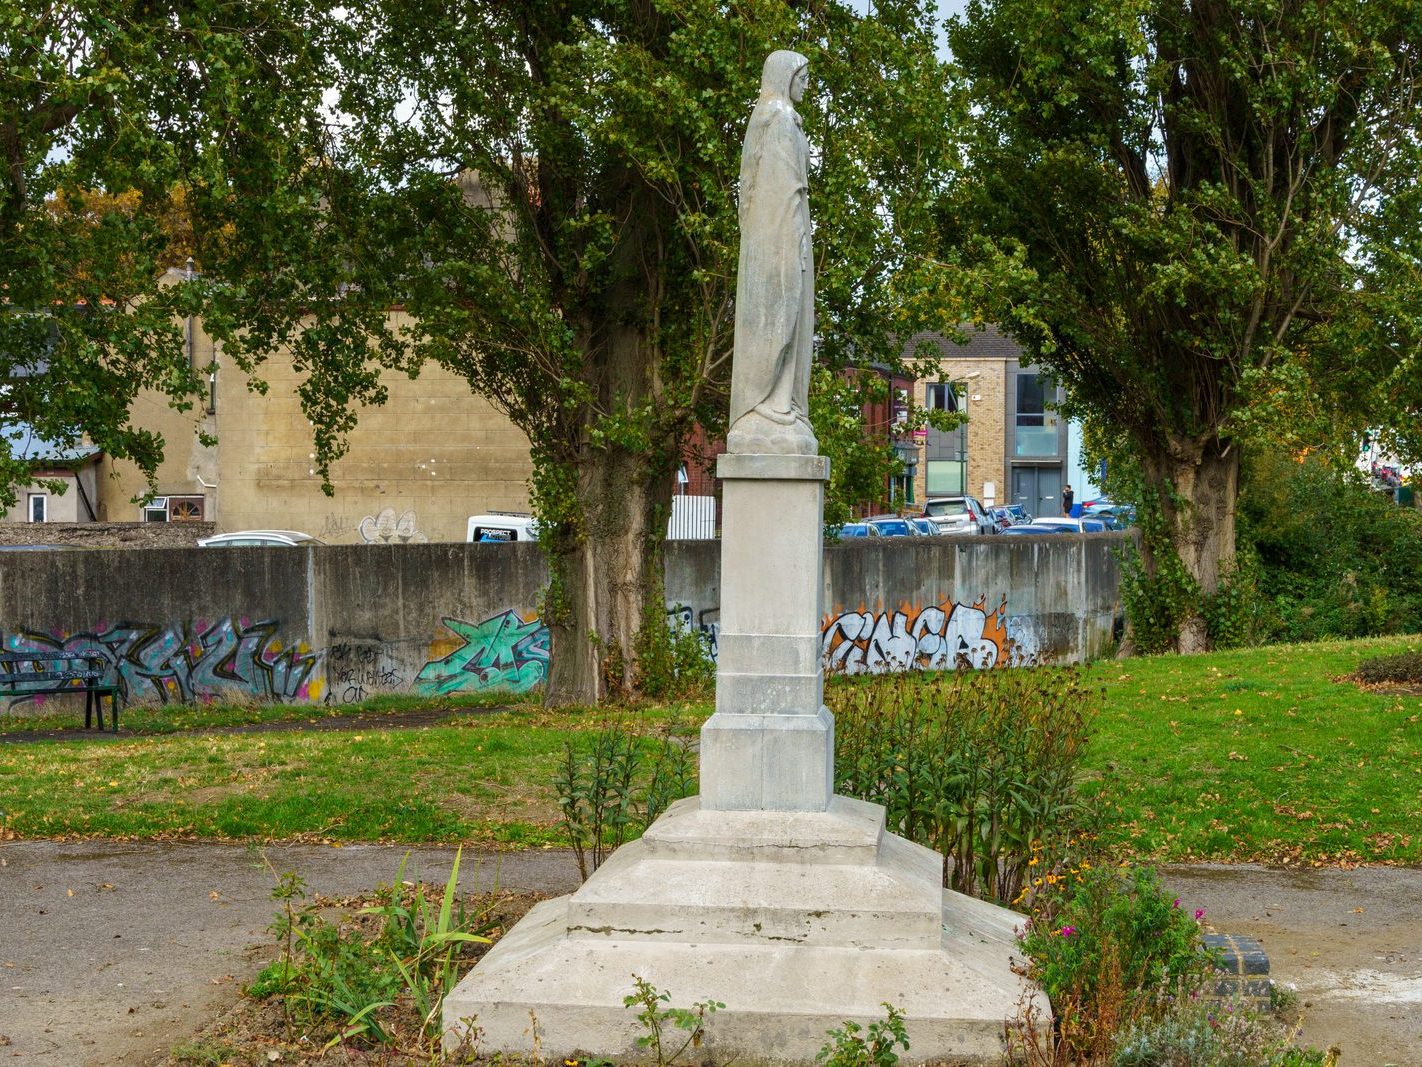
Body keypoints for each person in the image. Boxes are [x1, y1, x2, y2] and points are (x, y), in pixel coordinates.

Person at [727, 50, 817, 455]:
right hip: (781, 237)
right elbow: (783, 192)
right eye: (801, 76)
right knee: (783, 314)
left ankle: (782, 405)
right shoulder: (778, 119)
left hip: (784, 233)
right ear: (784, 77)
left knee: (791, 319)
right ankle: (772, 404)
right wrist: (796, 237)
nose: (806, 84)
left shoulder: (780, 119)